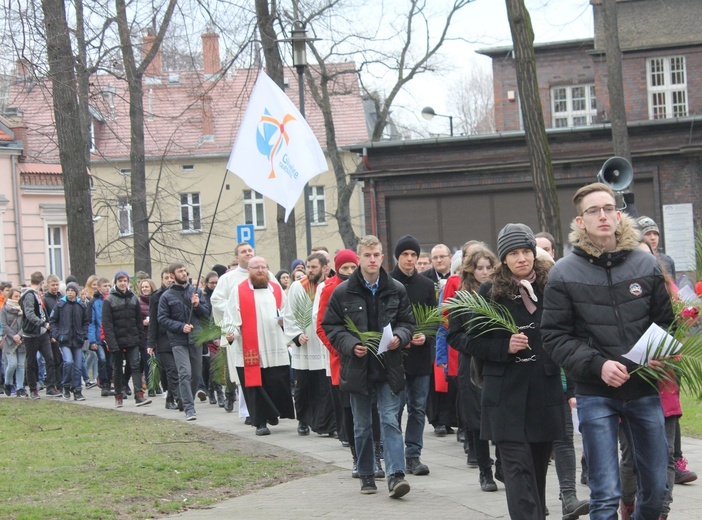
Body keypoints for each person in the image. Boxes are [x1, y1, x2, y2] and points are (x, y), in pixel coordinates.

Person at [541, 183, 674, 520]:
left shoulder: (645, 264)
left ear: (618, 214)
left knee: (657, 490)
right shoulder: (563, 272)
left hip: (643, 387)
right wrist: (598, 365)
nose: (602, 216)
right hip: (595, 392)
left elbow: (665, 322)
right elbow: (554, 336)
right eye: (592, 211)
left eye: (607, 208)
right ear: (580, 220)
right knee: (605, 495)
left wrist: (652, 356)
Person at [448, 223, 565, 519]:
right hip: (504, 397)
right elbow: (465, 338)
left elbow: (568, 334)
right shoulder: (490, 291)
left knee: (537, 473)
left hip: (543, 393)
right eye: (514, 253)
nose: (522, 258)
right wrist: (504, 348)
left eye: (526, 251)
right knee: (517, 470)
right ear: (504, 258)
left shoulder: (551, 287)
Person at [322, 235, 415, 498]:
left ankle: (396, 475)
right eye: (367, 255)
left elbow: (408, 322)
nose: (372, 260)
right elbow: (331, 326)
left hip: (389, 366)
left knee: (389, 420)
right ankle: (366, 473)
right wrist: (351, 344)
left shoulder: (396, 288)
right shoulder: (343, 292)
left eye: (376, 255)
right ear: (358, 257)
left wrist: (401, 336)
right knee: (362, 425)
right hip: (358, 367)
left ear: (382, 258)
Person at [229, 256, 294, 435]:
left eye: (263, 267)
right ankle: (260, 423)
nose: (260, 271)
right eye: (255, 267)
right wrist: (231, 333)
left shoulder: (276, 289)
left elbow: (287, 312)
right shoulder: (239, 290)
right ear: (248, 270)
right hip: (250, 348)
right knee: (255, 385)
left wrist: (285, 324)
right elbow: (231, 316)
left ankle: (273, 413)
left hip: (275, 345)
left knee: (276, 381)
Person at [453, 247, 501, 492]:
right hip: (472, 365)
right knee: (478, 420)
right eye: (479, 268)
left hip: (498, 363)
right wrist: (474, 345)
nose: (484, 272)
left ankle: (503, 465)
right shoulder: (462, 298)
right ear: (471, 270)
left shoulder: (501, 293)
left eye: (488, 267)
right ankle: (485, 470)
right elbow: (454, 335)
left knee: (501, 417)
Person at [389, 234, 436, 476]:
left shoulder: (426, 285)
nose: (409, 259)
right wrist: (399, 338)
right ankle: (393, 455)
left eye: (413, 255)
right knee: (394, 409)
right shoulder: (387, 283)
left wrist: (425, 335)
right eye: (405, 254)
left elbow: (433, 319)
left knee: (418, 408)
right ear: (397, 256)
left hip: (420, 358)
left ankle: (413, 455)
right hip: (395, 357)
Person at [283, 252, 336, 437]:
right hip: (305, 344)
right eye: (308, 267)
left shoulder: (331, 285)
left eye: (314, 267)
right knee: (303, 387)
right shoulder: (298, 287)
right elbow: (288, 314)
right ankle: (303, 421)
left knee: (324, 387)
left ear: (324, 268)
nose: (309, 271)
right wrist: (297, 335)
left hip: (323, 344)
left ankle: (326, 425)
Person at [158, 263, 209, 421]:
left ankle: (187, 399)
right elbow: (162, 318)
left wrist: (197, 305)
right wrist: (180, 327)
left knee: (195, 374)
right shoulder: (166, 296)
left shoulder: (196, 292)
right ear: (172, 276)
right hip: (178, 340)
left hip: (196, 338)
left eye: (184, 270)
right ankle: (189, 408)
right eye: (180, 271)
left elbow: (206, 314)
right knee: (184, 373)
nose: (183, 273)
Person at [102, 271, 152, 408]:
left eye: (125, 281)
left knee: (136, 365)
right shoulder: (109, 300)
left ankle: (139, 395)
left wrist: (140, 339)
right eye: (120, 281)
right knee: (117, 368)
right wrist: (111, 343)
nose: (123, 283)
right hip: (117, 339)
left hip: (132, 338)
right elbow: (107, 324)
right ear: (116, 283)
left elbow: (138, 321)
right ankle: (118, 395)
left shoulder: (133, 298)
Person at [20, 271, 61, 398]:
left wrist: (47, 326)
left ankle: (50, 387)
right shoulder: (29, 295)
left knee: (50, 359)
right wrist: (43, 324)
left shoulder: (37, 295)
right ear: (42, 283)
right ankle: (33, 389)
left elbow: (42, 312)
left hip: (42, 334)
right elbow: (29, 314)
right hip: (31, 335)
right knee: (31, 362)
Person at [49, 281, 89, 401]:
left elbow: (86, 322)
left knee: (77, 366)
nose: (70, 293)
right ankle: (66, 385)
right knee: (68, 362)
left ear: (76, 292)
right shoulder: (60, 305)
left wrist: (84, 334)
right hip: (64, 339)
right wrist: (56, 334)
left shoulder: (81, 305)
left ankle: (77, 390)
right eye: (68, 291)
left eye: (72, 291)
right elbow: (53, 321)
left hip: (77, 339)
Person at [148, 268, 178, 410]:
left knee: (178, 370)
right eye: (167, 278)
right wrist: (151, 342)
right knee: (170, 369)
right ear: (162, 279)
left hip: (177, 336)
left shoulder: (179, 293)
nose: (170, 280)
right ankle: (175, 397)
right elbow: (153, 320)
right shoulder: (156, 296)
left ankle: (172, 398)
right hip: (163, 338)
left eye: (172, 277)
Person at [88, 278, 113, 397]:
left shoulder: (112, 299)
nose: (107, 288)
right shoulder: (93, 302)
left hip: (109, 337)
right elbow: (91, 322)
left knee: (110, 362)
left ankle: (108, 383)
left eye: (109, 285)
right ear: (98, 288)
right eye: (104, 286)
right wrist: (92, 340)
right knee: (102, 359)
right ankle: (104, 384)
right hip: (98, 337)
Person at [2, 287, 27, 397]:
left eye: (19, 296)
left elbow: (25, 324)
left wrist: (20, 335)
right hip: (9, 340)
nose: (18, 298)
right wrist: (13, 336)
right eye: (16, 296)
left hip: (21, 340)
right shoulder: (4, 309)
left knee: (21, 365)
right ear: (11, 296)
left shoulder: (23, 308)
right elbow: (4, 325)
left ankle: (20, 388)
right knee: (12, 364)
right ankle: (7, 383)